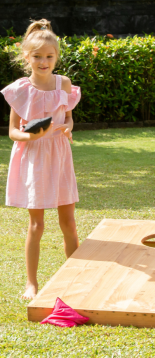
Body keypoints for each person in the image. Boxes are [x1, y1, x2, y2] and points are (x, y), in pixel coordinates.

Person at [2, 19, 81, 300]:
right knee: (37, 225)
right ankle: (31, 284)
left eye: (49, 56)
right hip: (34, 157)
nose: (43, 61)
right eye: (37, 56)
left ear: (57, 57)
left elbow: (68, 115)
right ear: (27, 57)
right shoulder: (20, 89)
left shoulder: (65, 83)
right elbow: (13, 131)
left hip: (59, 154)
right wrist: (30, 137)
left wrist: (68, 126)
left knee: (69, 223)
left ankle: (74, 277)